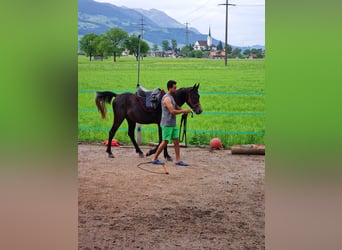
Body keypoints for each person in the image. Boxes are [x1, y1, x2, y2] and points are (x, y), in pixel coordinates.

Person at [151, 80, 192, 166]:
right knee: (165, 141)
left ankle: (178, 160)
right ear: (170, 88)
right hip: (167, 124)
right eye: (174, 88)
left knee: (176, 141)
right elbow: (172, 111)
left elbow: (176, 106)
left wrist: (184, 110)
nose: (176, 89)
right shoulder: (167, 98)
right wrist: (183, 111)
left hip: (172, 124)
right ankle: (154, 158)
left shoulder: (172, 97)